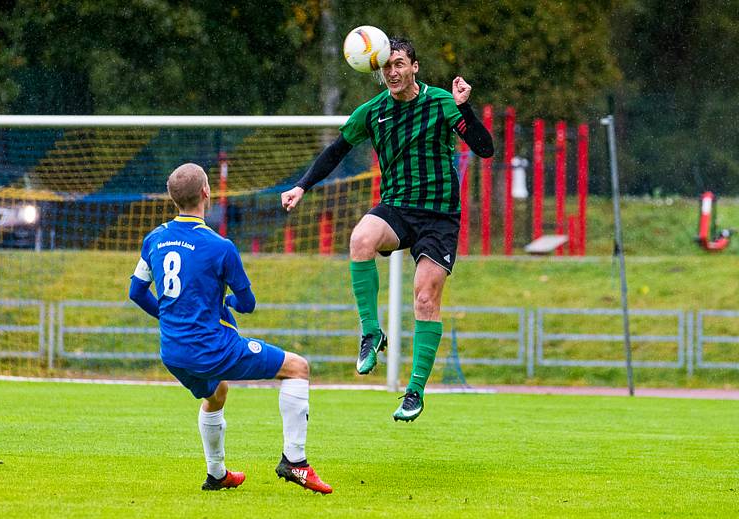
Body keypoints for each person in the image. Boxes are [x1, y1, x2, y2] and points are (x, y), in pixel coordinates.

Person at [281, 37, 494, 422]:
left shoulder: (442, 102)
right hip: (396, 207)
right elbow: (335, 152)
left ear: (414, 67)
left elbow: (484, 148)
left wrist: (466, 109)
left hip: (440, 216)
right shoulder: (373, 111)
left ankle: (414, 390)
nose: (392, 73)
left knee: (425, 298)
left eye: (399, 64)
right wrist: (302, 185)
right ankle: (370, 333)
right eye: (385, 67)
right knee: (360, 238)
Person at [130, 163, 332, 494]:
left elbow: (136, 292)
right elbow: (248, 303)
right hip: (213, 348)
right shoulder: (221, 247)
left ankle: (217, 474)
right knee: (298, 368)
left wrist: (169, 318)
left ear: (172, 198)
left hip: (173, 351)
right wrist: (233, 305)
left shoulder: (154, 239)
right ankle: (295, 463)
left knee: (216, 393)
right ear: (207, 192)